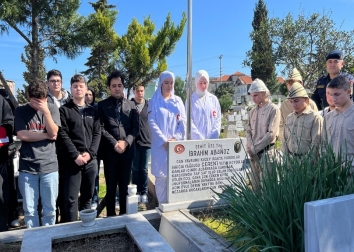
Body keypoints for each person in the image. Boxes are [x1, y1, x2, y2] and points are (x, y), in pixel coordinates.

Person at [14, 79, 60, 228]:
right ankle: (33, 243)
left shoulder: (52, 109)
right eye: (35, 102)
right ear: (28, 97)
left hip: (49, 166)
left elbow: (54, 132)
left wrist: (45, 112)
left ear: (46, 97)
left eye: (41, 101)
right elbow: (22, 135)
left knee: (50, 210)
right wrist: (46, 135)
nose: (37, 105)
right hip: (27, 167)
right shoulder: (21, 110)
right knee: (30, 211)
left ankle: (49, 237)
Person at [58, 75, 101, 222]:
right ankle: (70, 231)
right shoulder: (64, 110)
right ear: (71, 89)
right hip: (72, 161)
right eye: (75, 86)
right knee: (70, 198)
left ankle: (86, 228)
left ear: (86, 88)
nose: (78, 89)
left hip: (90, 161)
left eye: (81, 86)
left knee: (88, 196)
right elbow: (62, 134)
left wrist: (90, 154)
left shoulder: (93, 112)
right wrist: (75, 155)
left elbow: (97, 134)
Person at [98, 70, 139, 216]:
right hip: (110, 153)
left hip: (127, 154)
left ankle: (123, 216)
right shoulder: (102, 105)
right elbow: (101, 128)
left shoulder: (131, 105)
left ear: (123, 86)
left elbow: (135, 128)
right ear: (109, 87)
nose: (117, 88)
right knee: (110, 187)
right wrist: (115, 143)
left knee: (124, 187)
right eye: (114, 85)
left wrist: (126, 143)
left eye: (119, 85)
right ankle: (110, 217)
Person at [148, 71, 186, 204]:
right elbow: (152, 121)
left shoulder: (178, 101)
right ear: (161, 84)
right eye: (166, 83)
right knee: (161, 178)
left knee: (174, 176)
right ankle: (162, 206)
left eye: (171, 83)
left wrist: (175, 139)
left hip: (175, 146)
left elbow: (183, 122)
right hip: (160, 147)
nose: (169, 86)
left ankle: (173, 206)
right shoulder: (154, 101)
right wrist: (164, 141)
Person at [246, 78, 281, 190]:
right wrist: (251, 147)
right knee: (255, 188)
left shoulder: (273, 109)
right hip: (254, 155)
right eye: (252, 96)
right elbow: (248, 131)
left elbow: (271, 134)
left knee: (268, 189)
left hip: (267, 153)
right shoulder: (252, 111)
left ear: (264, 93)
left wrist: (254, 149)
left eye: (255, 95)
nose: (253, 98)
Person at [322, 75, 354, 173]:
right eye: (330, 94)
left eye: (337, 94)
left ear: (349, 92)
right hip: (330, 172)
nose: (333, 99)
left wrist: (347, 167)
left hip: (350, 172)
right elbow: (324, 144)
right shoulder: (328, 117)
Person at [282, 82, 322, 157]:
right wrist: (286, 159)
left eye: (296, 101)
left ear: (306, 100)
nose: (294, 104)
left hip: (307, 162)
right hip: (290, 160)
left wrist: (307, 162)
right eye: (291, 101)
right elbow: (285, 140)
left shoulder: (315, 117)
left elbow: (316, 143)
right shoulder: (289, 118)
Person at [131, 85, 151, 204]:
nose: (140, 93)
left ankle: (144, 192)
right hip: (133, 142)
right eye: (137, 90)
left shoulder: (149, 105)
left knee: (144, 169)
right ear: (134, 91)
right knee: (135, 169)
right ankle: (136, 192)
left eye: (142, 90)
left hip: (147, 141)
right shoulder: (130, 104)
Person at [190, 70, 221, 140]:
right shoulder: (190, 100)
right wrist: (199, 138)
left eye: (205, 82)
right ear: (196, 82)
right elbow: (189, 121)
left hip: (212, 142)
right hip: (196, 142)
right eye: (200, 83)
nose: (203, 85)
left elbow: (218, 119)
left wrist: (213, 136)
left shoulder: (214, 99)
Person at [0, 95, 14, 232]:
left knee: (1, 194)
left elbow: (9, 122)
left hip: (0, 156)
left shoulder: (1, 100)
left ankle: (2, 227)